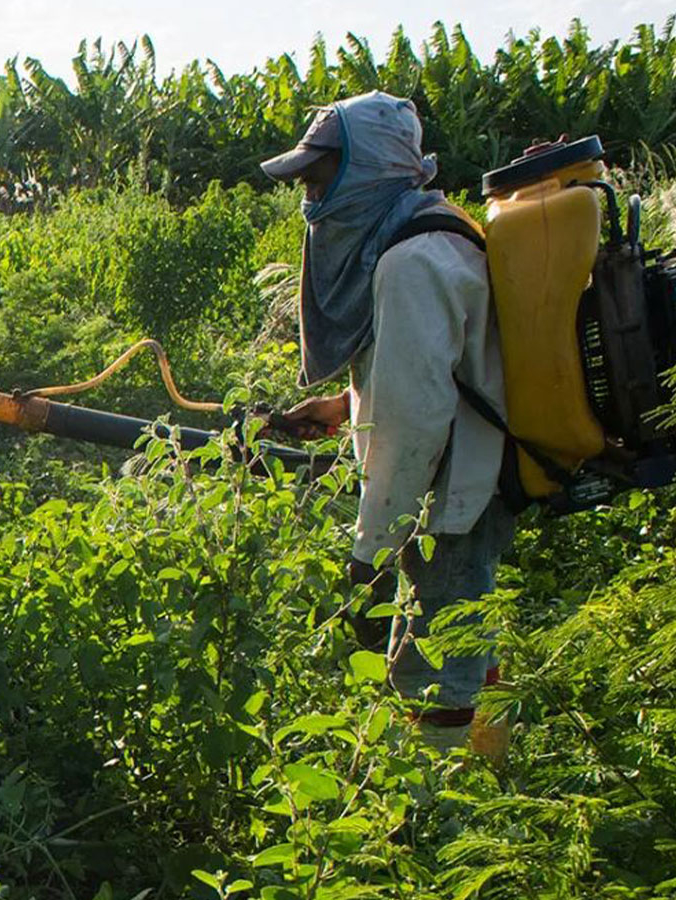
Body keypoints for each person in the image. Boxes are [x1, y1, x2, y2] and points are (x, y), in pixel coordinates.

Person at [262, 92, 514, 754]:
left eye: (321, 178)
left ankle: (444, 799)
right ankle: (496, 769)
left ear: (369, 169)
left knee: (431, 675)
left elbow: (411, 431)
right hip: (463, 476)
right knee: (466, 639)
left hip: (452, 495)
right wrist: (343, 407)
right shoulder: (423, 231)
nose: (311, 199)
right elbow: (431, 373)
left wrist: (367, 557)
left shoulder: (410, 262)